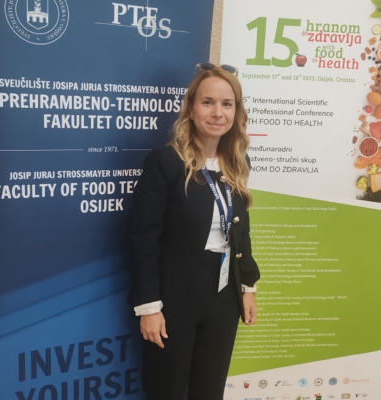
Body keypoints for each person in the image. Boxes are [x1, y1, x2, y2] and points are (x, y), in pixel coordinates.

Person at [129, 63, 260, 400]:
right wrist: (149, 306)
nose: (218, 113)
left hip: (223, 296)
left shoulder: (237, 163)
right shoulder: (165, 162)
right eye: (207, 102)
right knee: (167, 391)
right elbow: (143, 238)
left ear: (236, 111)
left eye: (227, 104)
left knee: (209, 391)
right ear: (191, 107)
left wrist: (247, 286)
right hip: (173, 298)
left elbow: (241, 231)